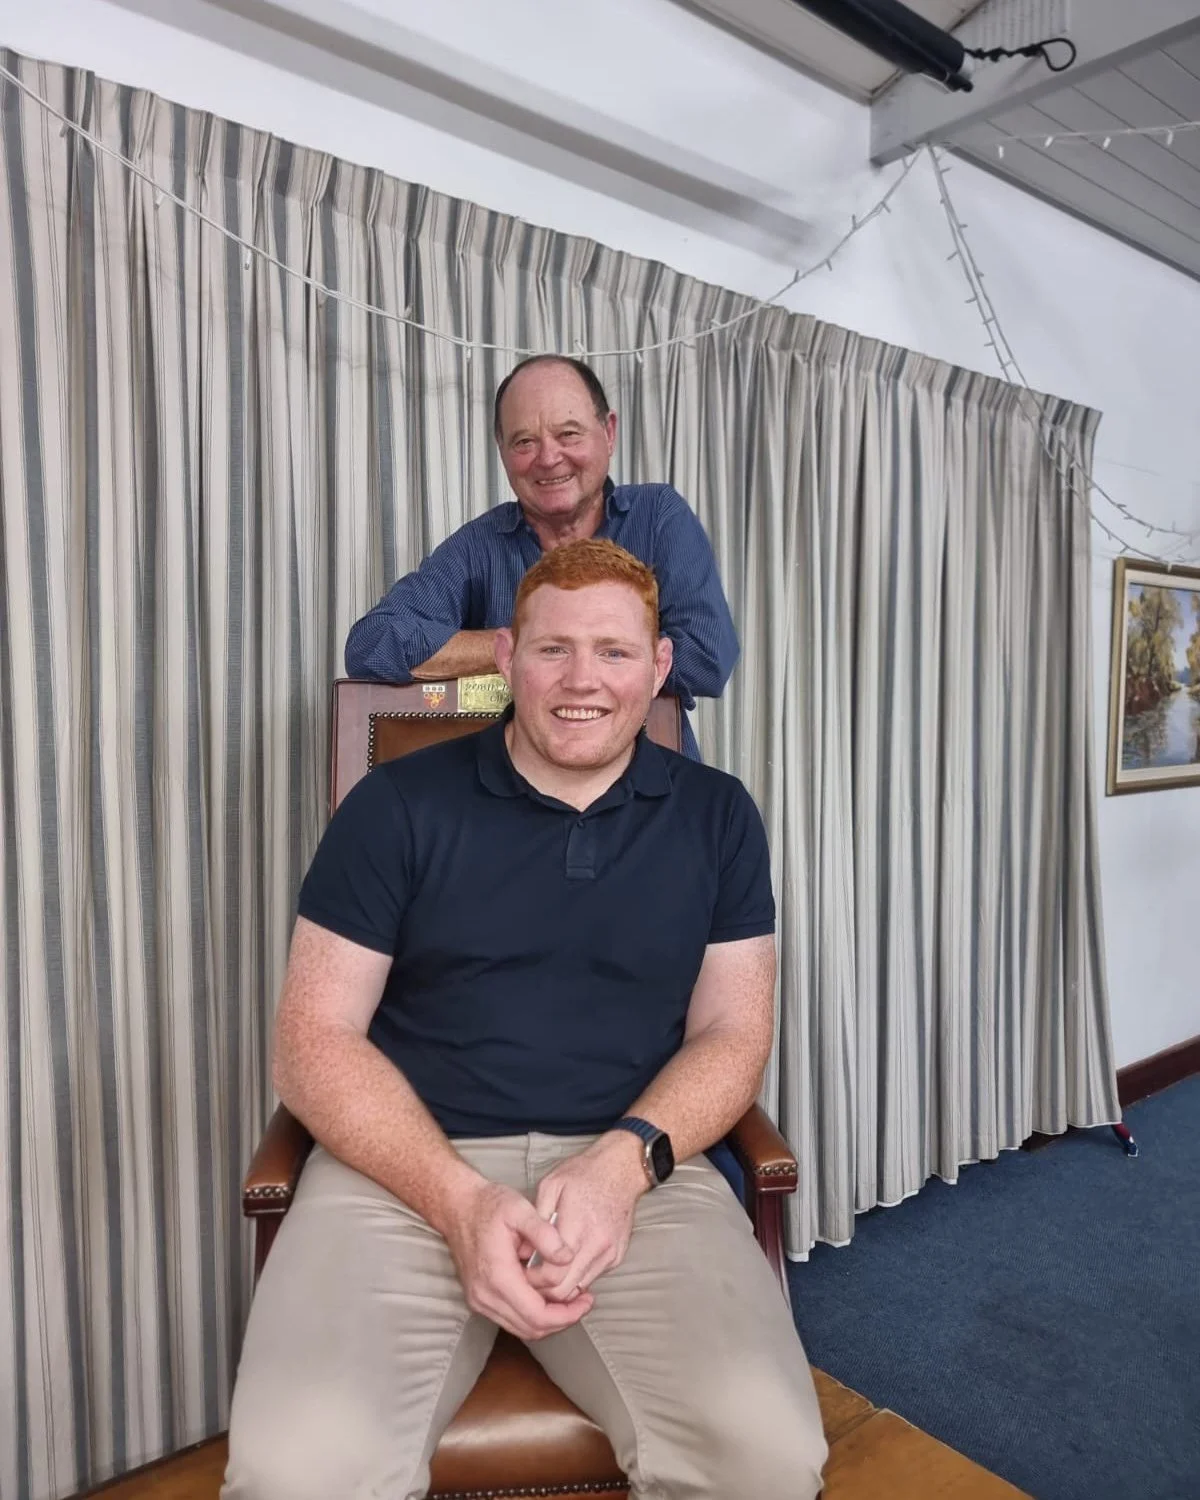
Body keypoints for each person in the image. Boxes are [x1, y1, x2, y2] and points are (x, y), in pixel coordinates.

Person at [223, 540, 826, 1500]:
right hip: (405, 1171)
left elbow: (733, 1037)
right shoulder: (395, 805)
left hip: (636, 1171)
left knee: (765, 1456)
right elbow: (311, 1043)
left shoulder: (719, 817)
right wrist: (458, 1202)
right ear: (506, 657)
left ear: (659, 667)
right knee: (297, 1470)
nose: (583, 680)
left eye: (615, 652)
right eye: (554, 650)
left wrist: (623, 1166)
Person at [344, 354, 738, 759]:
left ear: (609, 432)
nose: (548, 458)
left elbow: (706, 659)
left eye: (568, 434)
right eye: (524, 442)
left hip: (651, 785)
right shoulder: (481, 545)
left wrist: (543, 653)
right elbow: (373, 646)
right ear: (502, 452)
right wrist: (522, 644)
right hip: (521, 798)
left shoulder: (657, 516)